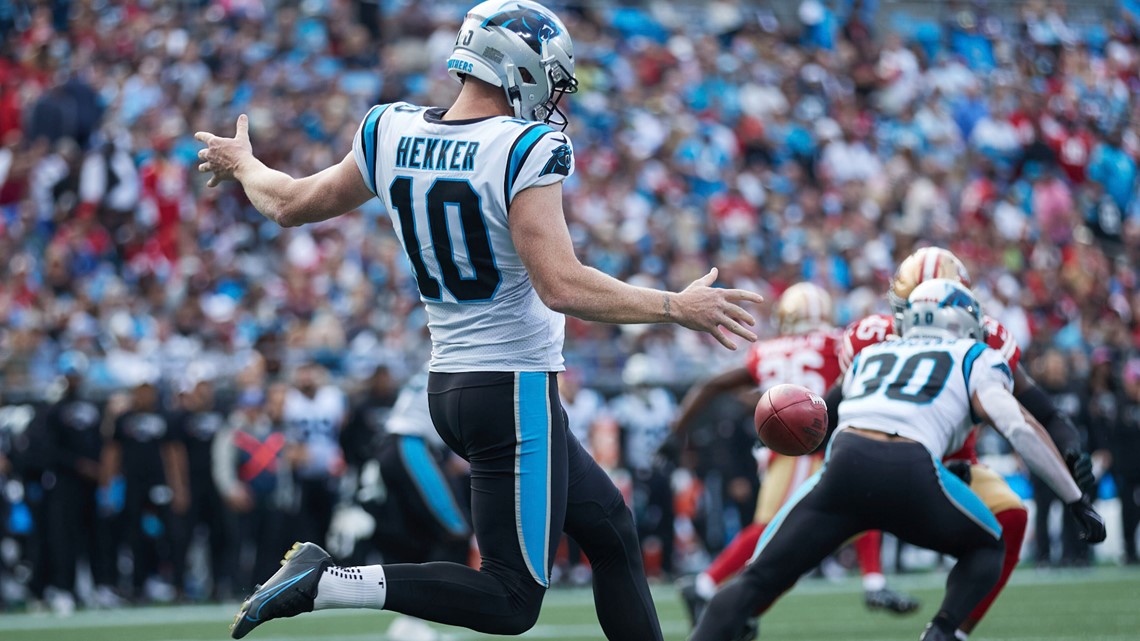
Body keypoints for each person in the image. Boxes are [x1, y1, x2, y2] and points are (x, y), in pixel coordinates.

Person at [196, 1, 762, 639]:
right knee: (511, 599)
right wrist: (673, 306)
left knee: (610, 528)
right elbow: (562, 285)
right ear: (519, 68)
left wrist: (244, 164)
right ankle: (326, 583)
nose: (551, 96)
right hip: (512, 388)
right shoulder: (526, 145)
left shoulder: (390, 130)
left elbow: (290, 202)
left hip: (454, 385)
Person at [690, 279, 1106, 641]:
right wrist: (1074, 498)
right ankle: (941, 632)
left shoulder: (873, 354)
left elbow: (824, 424)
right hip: (911, 469)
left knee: (756, 578)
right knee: (988, 545)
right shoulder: (974, 355)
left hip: (845, 466)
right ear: (964, 321)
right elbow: (1017, 427)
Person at [839, 246, 1096, 638]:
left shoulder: (984, 338)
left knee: (1011, 515)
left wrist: (1070, 448)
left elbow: (1040, 411)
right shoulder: (872, 334)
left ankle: (950, 630)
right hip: (882, 456)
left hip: (953, 466)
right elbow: (832, 406)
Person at [665, 283, 916, 637]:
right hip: (814, 443)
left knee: (861, 502)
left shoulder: (766, 350)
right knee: (774, 529)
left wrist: (676, 432)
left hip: (783, 444)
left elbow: (714, 385)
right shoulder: (836, 343)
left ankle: (873, 583)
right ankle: (708, 587)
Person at [42, 352, 114, 612]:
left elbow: (101, 443)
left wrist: (101, 469)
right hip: (66, 482)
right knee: (65, 536)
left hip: (92, 482)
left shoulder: (93, 407)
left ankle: (100, 586)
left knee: (97, 535)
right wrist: (78, 465)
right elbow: (49, 450)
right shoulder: (54, 409)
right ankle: (64, 588)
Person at [282, 363, 348, 548]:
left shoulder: (333, 397)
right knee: (302, 528)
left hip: (330, 470)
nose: (306, 379)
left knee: (329, 526)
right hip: (301, 473)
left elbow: (344, 427)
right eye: (302, 375)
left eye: (309, 374)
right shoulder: (290, 399)